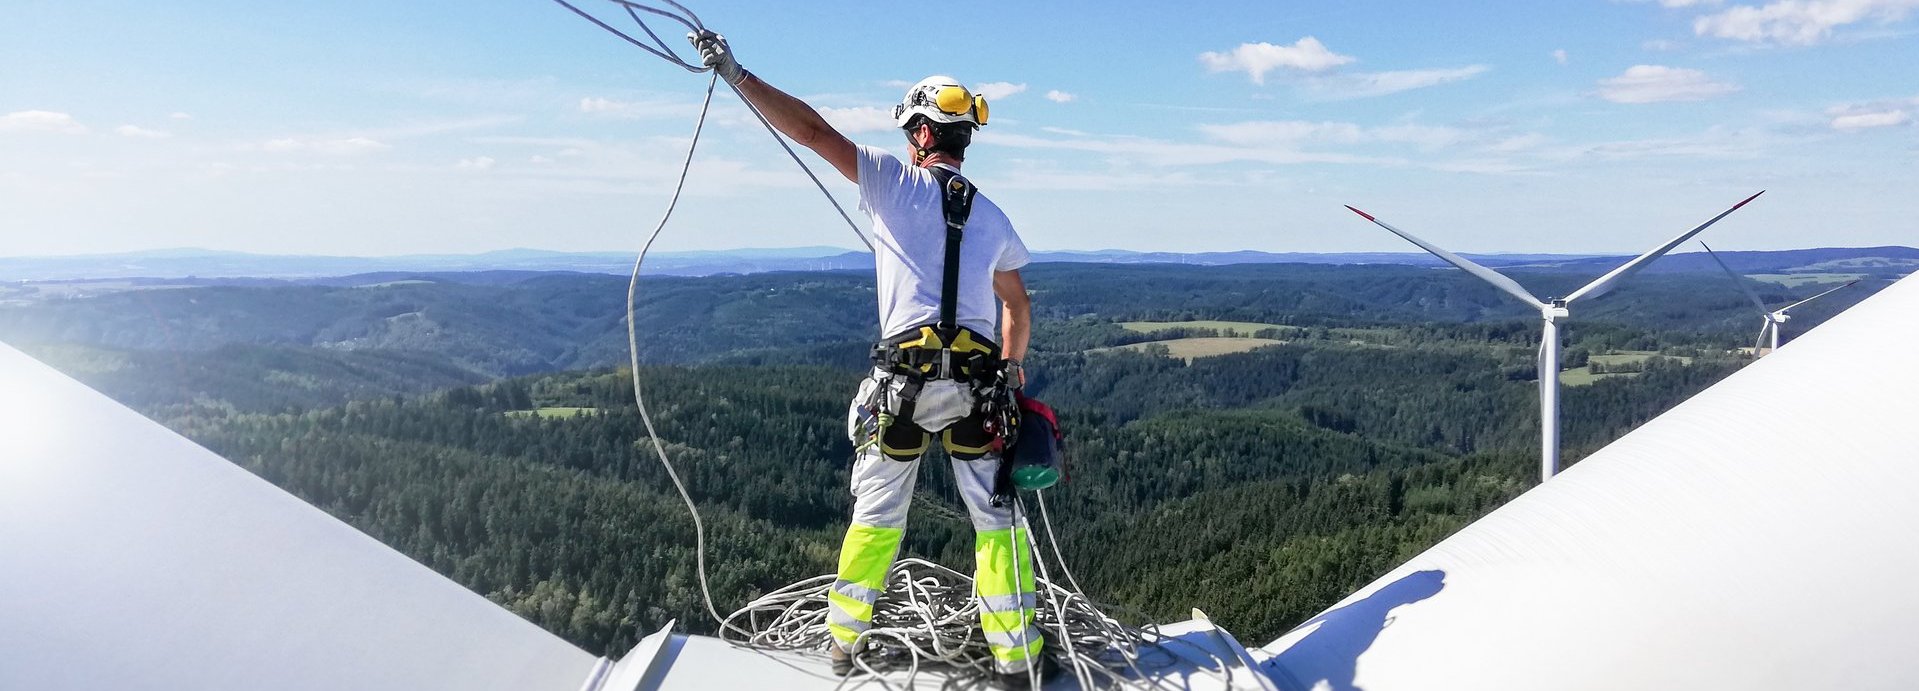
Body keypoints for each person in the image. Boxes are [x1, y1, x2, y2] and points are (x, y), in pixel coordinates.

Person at [691, 31, 1053, 686]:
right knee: (995, 522)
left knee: (877, 516)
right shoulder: (994, 217)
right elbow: (1017, 309)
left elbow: (809, 130)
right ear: (963, 138)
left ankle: (842, 645)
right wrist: (1011, 370)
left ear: (917, 132)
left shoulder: (892, 181)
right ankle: (1016, 657)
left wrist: (737, 75)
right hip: (975, 389)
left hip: (902, 387)